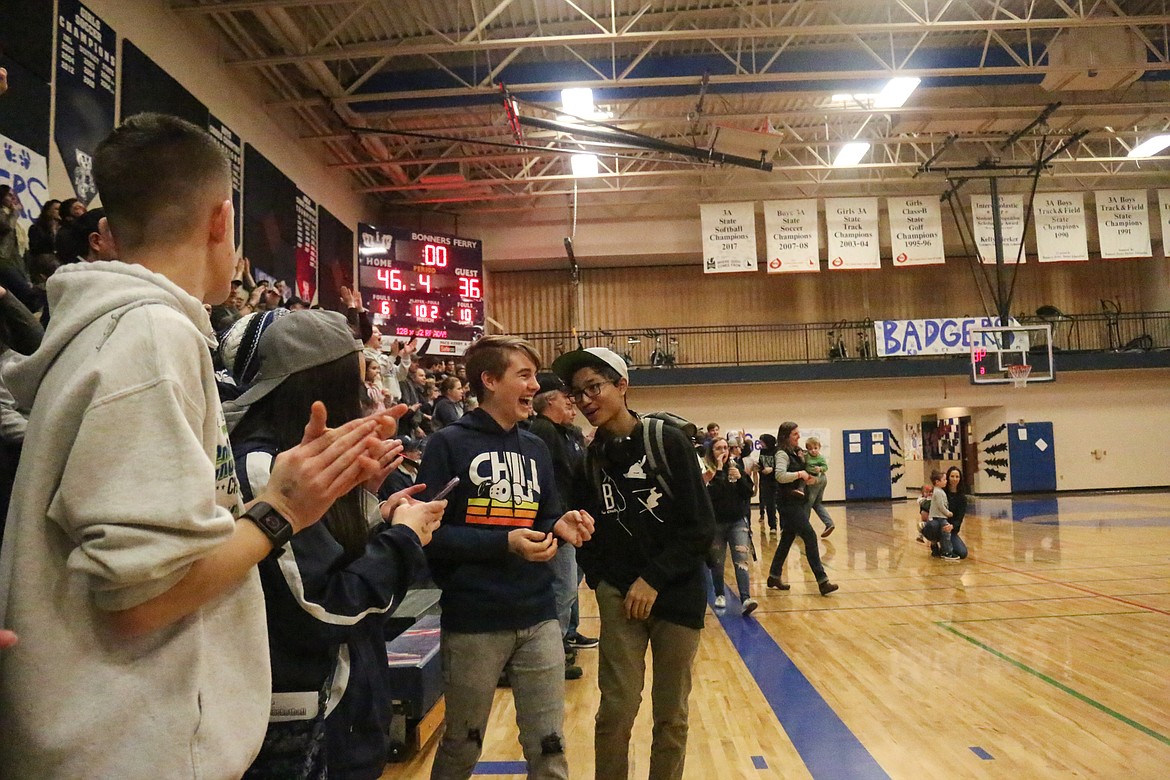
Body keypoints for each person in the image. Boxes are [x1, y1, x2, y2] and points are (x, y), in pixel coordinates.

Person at [0, 113, 398, 778]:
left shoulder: (122, 331)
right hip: (129, 748)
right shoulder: (153, 338)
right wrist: (281, 511)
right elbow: (140, 601)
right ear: (222, 220)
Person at [224, 308, 444, 780]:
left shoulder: (295, 463)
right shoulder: (264, 468)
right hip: (308, 725)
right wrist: (403, 538)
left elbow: (326, 565)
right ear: (316, 386)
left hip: (339, 717)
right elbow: (322, 610)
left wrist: (371, 509)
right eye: (354, 380)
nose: (365, 395)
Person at [420, 335, 593, 780]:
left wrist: (561, 523)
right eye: (525, 375)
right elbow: (429, 535)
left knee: (549, 746)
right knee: (462, 744)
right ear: (490, 380)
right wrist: (505, 543)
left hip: (538, 616)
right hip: (474, 620)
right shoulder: (447, 445)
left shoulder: (535, 446)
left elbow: (546, 513)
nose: (535, 385)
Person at [552, 346, 715, 780]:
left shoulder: (668, 442)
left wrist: (654, 579)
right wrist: (603, 581)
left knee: (671, 716)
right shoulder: (588, 459)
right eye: (577, 393)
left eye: (595, 388)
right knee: (615, 713)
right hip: (619, 597)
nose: (586, 401)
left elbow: (700, 528)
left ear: (622, 386)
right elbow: (584, 530)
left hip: (677, 596)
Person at [526, 370, 593, 681]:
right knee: (562, 590)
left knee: (569, 588)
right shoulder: (542, 431)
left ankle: (565, 640)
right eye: (567, 399)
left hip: (570, 520)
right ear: (549, 401)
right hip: (556, 524)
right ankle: (556, 653)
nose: (573, 404)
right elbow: (548, 481)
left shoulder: (566, 433)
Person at [765, 421, 839, 595]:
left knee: (786, 540)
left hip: (796, 501)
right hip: (787, 503)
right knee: (810, 536)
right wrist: (800, 474)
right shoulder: (782, 453)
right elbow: (781, 476)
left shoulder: (795, 452)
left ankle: (774, 575)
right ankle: (822, 581)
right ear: (786, 436)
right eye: (795, 434)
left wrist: (807, 479)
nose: (799, 436)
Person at [702, 437, 758, 616]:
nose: (723, 452)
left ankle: (746, 598)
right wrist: (718, 471)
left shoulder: (736, 468)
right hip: (716, 523)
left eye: (725, 448)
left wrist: (741, 478)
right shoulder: (707, 471)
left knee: (741, 558)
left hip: (737, 520)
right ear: (712, 452)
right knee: (717, 562)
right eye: (718, 448)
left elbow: (749, 492)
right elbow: (712, 495)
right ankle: (719, 593)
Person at [803, 436, 836, 538]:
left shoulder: (820, 458)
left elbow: (825, 467)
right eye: (810, 449)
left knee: (808, 503)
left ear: (819, 447)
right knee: (817, 503)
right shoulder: (806, 455)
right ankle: (829, 523)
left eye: (815, 448)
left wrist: (820, 469)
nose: (813, 450)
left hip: (816, 480)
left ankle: (804, 528)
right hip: (821, 480)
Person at [928, 468, 960, 562]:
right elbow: (941, 506)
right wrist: (948, 513)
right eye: (944, 479)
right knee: (946, 535)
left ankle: (940, 549)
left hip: (941, 517)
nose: (946, 481)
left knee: (945, 534)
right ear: (937, 482)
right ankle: (947, 552)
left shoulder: (939, 491)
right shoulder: (938, 492)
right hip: (940, 517)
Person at [944, 466, 970, 559]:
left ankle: (944, 547)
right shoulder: (942, 493)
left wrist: (952, 526)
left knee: (962, 553)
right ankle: (935, 542)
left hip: (951, 530)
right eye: (952, 476)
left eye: (957, 477)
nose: (954, 479)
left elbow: (959, 518)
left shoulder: (962, 498)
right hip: (940, 525)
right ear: (948, 477)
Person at [756, 433, 779, 538]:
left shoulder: (777, 451)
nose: (760, 444)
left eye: (762, 442)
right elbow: (761, 464)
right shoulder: (762, 451)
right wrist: (758, 467)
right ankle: (772, 526)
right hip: (765, 480)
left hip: (776, 480)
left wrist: (772, 469)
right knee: (769, 504)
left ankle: (783, 526)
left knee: (779, 505)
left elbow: (780, 466)